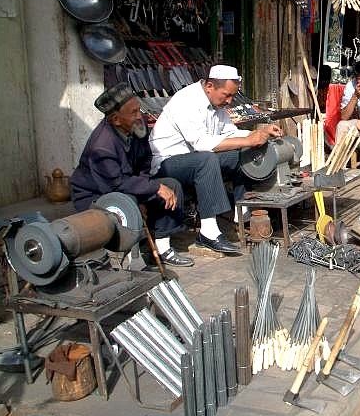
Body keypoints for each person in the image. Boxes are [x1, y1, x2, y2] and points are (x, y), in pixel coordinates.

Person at [149, 65, 282, 254]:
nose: (229, 101)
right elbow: (201, 143)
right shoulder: (186, 101)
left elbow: (230, 133)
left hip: (195, 158)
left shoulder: (217, 103)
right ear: (210, 86)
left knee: (240, 155)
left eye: (232, 97)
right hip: (169, 162)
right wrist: (246, 139)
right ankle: (208, 232)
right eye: (226, 95)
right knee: (206, 159)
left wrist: (258, 134)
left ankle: (241, 215)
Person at [70, 83, 194, 267]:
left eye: (139, 109)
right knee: (130, 199)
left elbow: (145, 162)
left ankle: (162, 248)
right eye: (134, 112)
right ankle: (133, 260)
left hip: (128, 186)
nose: (140, 116)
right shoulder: (101, 146)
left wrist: (145, 193)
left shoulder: (137, 125)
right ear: (116, 119)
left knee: (171, 185)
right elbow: (114, 185)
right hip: (95, 196)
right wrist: (149, 191)